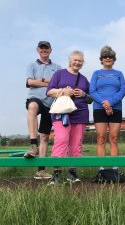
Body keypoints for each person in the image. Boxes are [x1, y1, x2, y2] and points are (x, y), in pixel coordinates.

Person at [47, 50, 90, 184]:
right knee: (61, 139)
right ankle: (57, 173)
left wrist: (83, 93)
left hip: (80, 112)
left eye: (80, 61)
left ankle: (72, 172)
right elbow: (49, 91)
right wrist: (63, 91)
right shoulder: (59, 74)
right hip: (62, 112)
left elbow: (90, 98)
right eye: (75, 60)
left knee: (76, 143)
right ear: (70, 60)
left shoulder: (83, 79)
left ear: (82, 63)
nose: (77, 62)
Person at [25, 41, 61, 180]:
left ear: (51, 50)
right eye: (42, 48)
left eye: (46, 48)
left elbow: (57, 83)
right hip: (35, 98)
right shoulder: (32, 65)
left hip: (50, 104)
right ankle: (33, 144)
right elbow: (29, 82)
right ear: (37, 50)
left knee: (45, 137)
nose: (44, 50)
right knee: (32, 106)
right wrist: (47, 81)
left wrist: (39, 80)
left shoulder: (57, 67)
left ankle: (41, 170)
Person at [89, 46, 125, 179]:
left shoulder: (119, 74)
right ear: (101, 59)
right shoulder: (96, 73)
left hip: (115, 108)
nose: (108, 58)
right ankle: (101, 168)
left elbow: (122, 91)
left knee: (114, 138)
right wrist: (104, 103)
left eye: (110, 56)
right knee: (101, 138)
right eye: (105, 56)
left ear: (114, 59)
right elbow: (92, 91)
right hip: (99, 109)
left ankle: (115, 168)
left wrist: (110, 102)